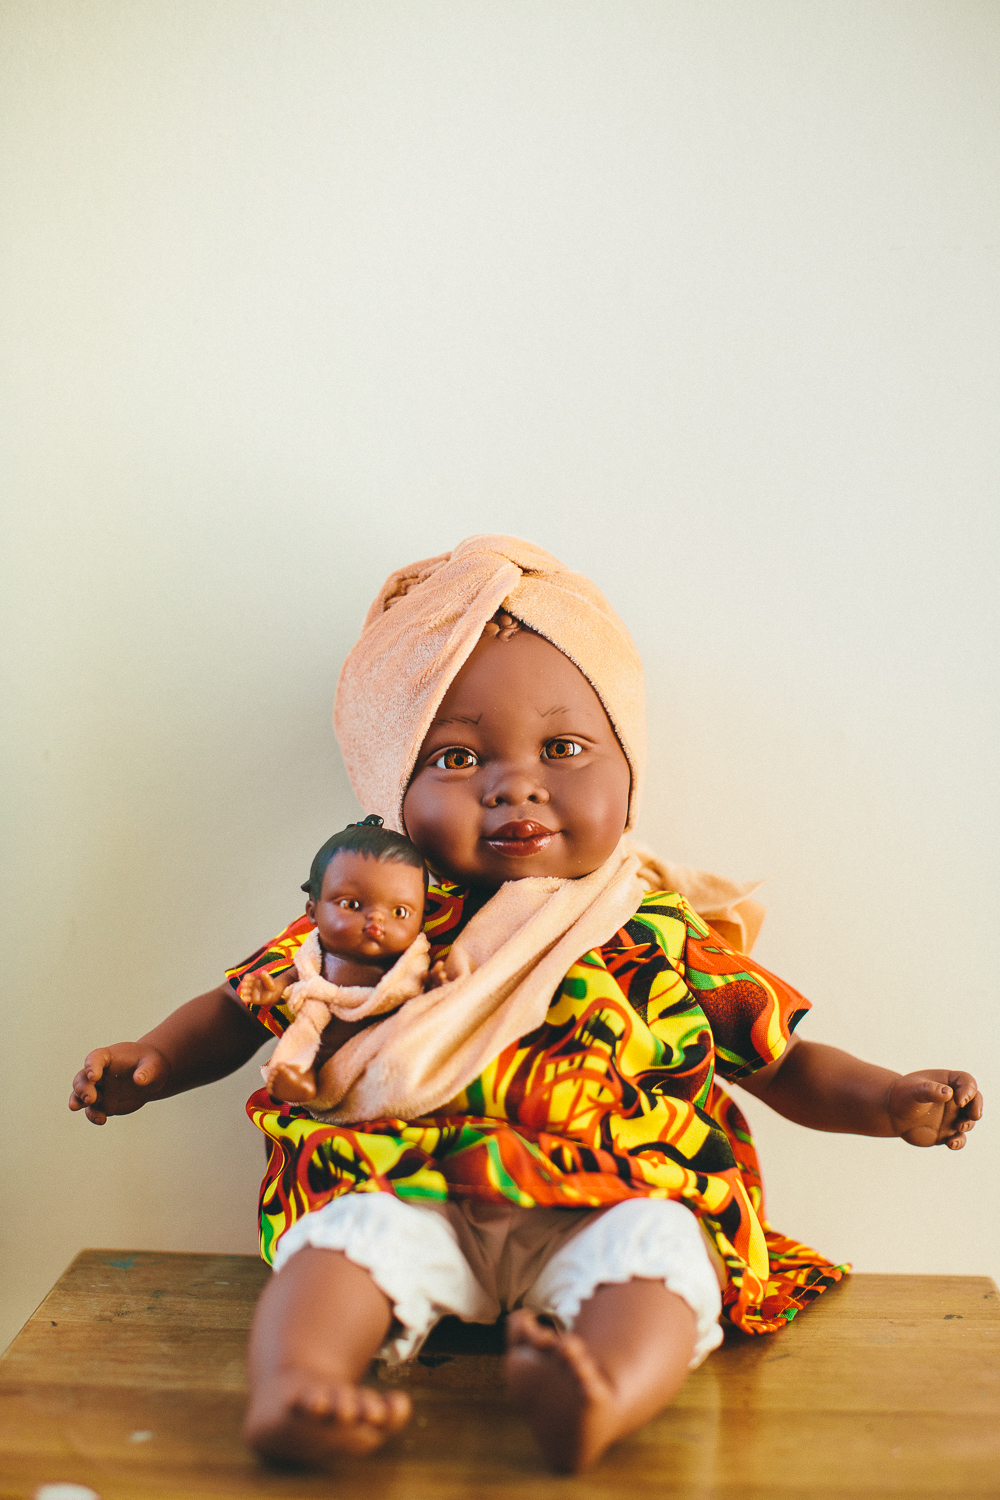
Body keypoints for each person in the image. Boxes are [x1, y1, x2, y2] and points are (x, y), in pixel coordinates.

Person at [69, 535, 983, 1475]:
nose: (517, 781)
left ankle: (599, 1391)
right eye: (459, 756)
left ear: (627, 767)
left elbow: (782, 1060)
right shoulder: (381, 913)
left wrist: (890, 1101)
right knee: (343, 1241)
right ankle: (298, 1385)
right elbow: (243, 1005)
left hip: (614, 1190)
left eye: (564, 746)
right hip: (410, 1182)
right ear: (393, 791)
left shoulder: (653, 925)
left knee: (665, 1253)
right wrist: (154, 1060)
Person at [243, 817, 430, 1106]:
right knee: (302, 1045)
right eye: (352, 905)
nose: (376, 920)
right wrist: (271, 991)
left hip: (379, 1034)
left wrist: (438, 983)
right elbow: (294, 979)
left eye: (400, 912)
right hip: (323, 1032)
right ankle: (302, 1081)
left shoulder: (408, 962)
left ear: (423, 916)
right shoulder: (312, 954)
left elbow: (418, 989)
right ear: (313, 911)